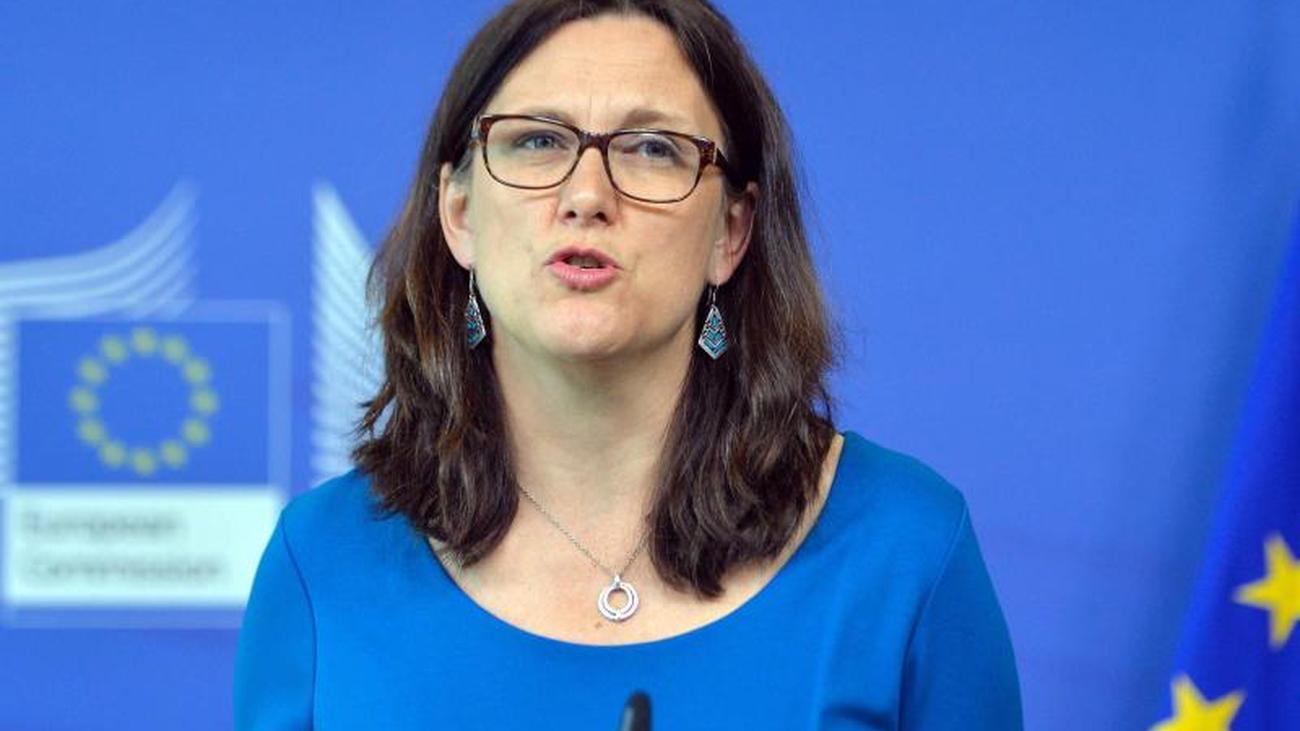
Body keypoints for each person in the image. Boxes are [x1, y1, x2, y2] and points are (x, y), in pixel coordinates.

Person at [233, 0, 1022, 728]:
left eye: (651, 149)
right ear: (460, 213)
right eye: (537, 140)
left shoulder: (903, 547)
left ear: (731, 232)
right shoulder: (323, 560)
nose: (586, 195)